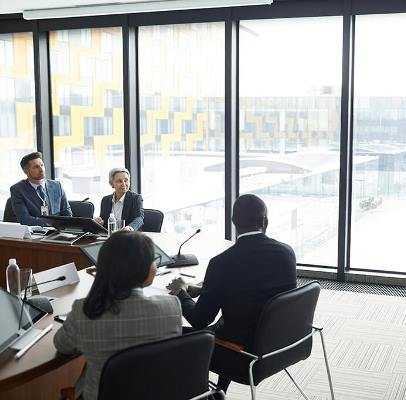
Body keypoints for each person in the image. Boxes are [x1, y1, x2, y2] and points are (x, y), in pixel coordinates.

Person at [167, 194, 297, 392]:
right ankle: (220, 391)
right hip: (282, 345)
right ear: (265, 222)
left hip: (242, 354)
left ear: (234, 222)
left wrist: (180, 292)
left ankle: (201, 394)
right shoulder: (287, 253)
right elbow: (254, 290)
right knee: (226, 325)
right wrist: (206, 289)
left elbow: (200, 320)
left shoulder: (222, 263)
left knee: (170, 334)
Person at [54, 231, 182, 400]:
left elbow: (61, 345)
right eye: (154, 261)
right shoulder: (172, 307)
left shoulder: (84, 311)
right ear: (144, 269)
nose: (156, 266)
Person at [9, 152, 72, 226]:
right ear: (26, 171)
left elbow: (67, 214)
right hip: (35, 231)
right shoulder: (17, 189)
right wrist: (52, 223)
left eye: (42, 165)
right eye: (36, 167)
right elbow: (25, 219)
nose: (41, 169)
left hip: (58, 230)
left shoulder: (56, 186)